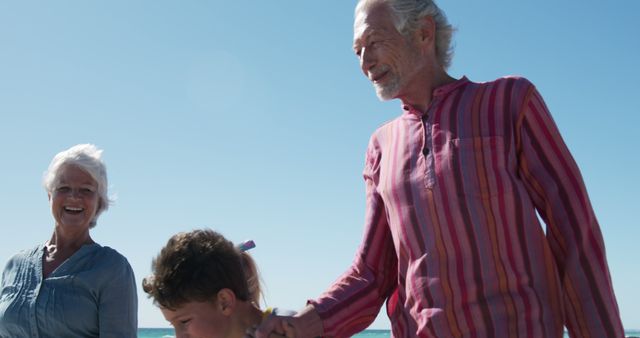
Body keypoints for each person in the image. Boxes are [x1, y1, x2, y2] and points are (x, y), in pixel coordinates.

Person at [254, 0, 624, 337]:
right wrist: (302, 323)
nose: (364, 62)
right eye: (357, 51)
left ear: (423, 32)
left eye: (374, 42)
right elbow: (372, 274)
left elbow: (575, 232)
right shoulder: (380, 147)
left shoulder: (509, 101)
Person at [0, 144, 137, 337]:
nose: (74, 197)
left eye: (86, 190)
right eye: (63, 188)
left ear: (100, 202)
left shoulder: (112, 269)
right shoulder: (14, 266)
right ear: (50, 195)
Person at [143, 228, 293, 338]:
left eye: (184, 321)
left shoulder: (294, 330)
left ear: (224, 302)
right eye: (173, 325)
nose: (179, 336)